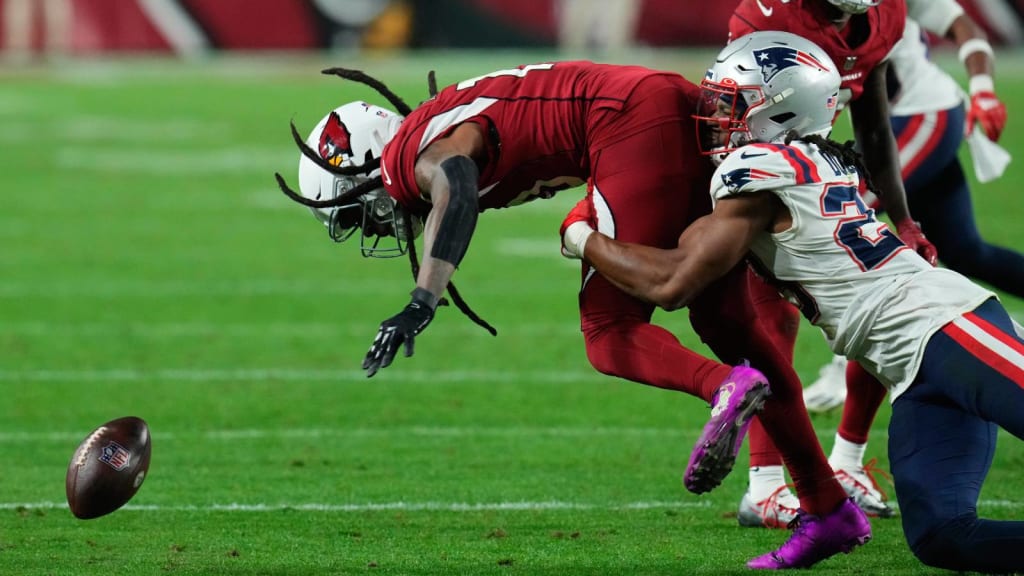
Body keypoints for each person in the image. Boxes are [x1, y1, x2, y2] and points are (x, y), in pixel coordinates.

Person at [274, 60, 868, 568]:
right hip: (660, 106)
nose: (371, 222)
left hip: (628, 125)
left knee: (609, 332)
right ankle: (827, 509)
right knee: (735, 329)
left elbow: (453, 179)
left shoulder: (408, 159)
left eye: (356, 211)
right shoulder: (435, 120)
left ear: (368, 165)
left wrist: (422, 299)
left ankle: (725, 388)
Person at [560, 29, 1024, 573]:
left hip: (946, 325)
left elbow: (673, 283)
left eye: (731, 104)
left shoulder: (756, 172)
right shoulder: (812, 160)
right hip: (909, 368)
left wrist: (583, 238)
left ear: (780, 115)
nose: (713, 116)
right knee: (941, 536)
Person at [727, 0, 936, 525]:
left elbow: (873, 120)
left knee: (881, 301)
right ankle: (765, 484)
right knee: (770, 321)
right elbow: (728, 110)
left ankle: (846, 462)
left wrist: (904, 221)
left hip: (825, 166)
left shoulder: (885, 15)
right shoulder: (765, 15)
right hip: (763, 166)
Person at [802, 0, 1020, 443]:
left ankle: (842, 368)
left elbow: (964, 27)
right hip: (889, 120)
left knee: (839, 224)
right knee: (963, 249)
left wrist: (982, 88)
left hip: (919, 114)